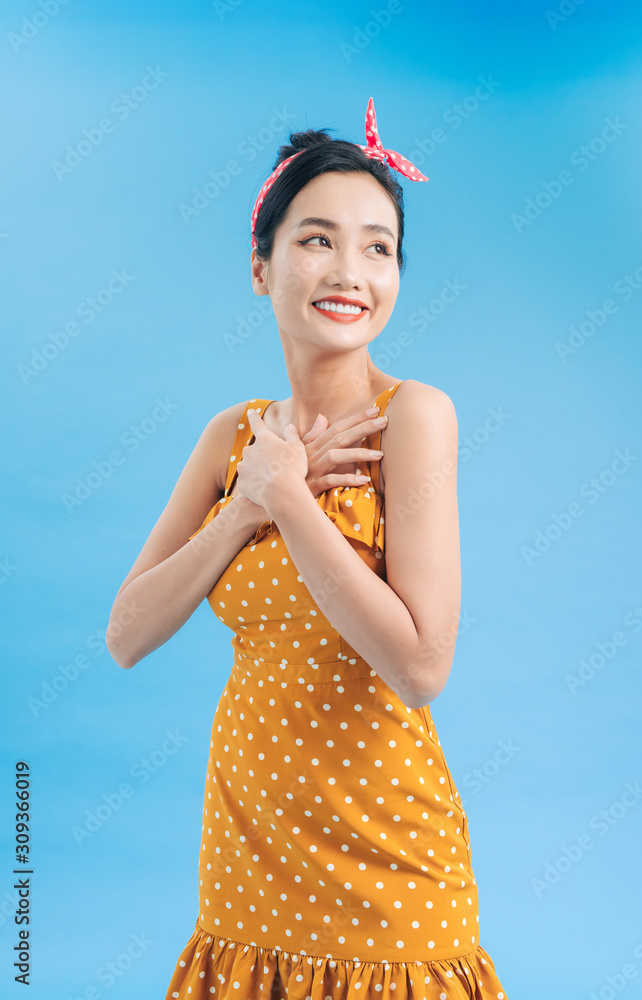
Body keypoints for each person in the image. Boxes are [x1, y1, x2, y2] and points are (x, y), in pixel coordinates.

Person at [106, 97, 509, 999]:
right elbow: (126, 634)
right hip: (247, 851)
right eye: (318, 239)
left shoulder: (413, 417)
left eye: (378, 246)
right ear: (262, 266)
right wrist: (242, 506)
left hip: (385, 849)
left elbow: (420, 666)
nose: (351, 269)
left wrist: (288, 500)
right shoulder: (231, 438)